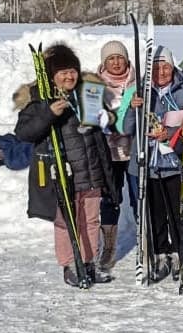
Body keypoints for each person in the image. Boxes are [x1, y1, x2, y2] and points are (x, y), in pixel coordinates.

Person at [15, 44, 116, 287]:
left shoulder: (86, 93)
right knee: (65, 221)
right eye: (63, 72)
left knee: (91, 220)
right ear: (52, 76)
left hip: (91, 171)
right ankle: (70, 265)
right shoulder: (40, 100)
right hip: (62, 173)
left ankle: (88, 263)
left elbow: (102, 127)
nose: (69, 76)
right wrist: (48, 114)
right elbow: (24, 133)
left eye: (72, 71)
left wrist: (106, 118)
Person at [124, 46, 183, 282]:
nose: (161, 72)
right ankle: (160, 253)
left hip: (174, 162)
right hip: (149, 165)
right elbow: (127, 128)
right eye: (156, 68)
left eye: (166, 67)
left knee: (177, 211)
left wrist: (170, 133)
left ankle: (178, 252)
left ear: (173, 68)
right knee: (155, 213)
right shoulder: (141, 92)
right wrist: (133, 109)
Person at [96, 39, 137, 279]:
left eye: (120, 57)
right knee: (110, 199)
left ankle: (145, 240)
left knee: (139, 197)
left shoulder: (138, 82)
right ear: (104, 62)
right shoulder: (95, 85)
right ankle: (109, 247)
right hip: (108, 153)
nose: (116, 62)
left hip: (133, 151)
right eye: (111, 58)